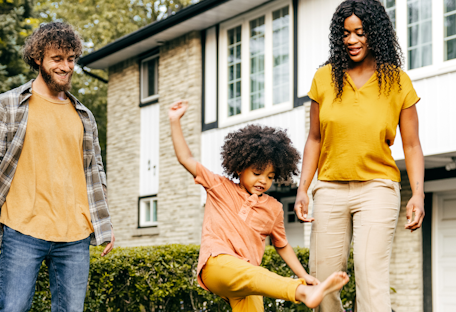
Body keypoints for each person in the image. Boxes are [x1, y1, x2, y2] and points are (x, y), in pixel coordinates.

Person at [293, 0, 426, 311]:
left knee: (371, 277)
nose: (351, 40)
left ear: (375, 34)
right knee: (322, 281)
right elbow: (314, 138)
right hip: (329, 188)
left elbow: (412, 145)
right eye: (345, 33)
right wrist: (303, 188)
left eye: (360, 32)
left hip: (377, 188)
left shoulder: (397, 82)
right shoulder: (324, 78)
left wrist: (417, 194)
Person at [0, 22, 115, 312]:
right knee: (12, 308)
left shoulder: (84, 116)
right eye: (57, 59)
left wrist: (104, 223)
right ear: (37, 58)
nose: (66, 67)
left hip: (75, 235)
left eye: (71, 59)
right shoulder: (9, 104)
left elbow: (95, 173)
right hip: (23, 229)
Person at [168, 100, 350, 311]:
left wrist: (305, 275)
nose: (263, 180)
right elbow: (185, 158)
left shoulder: (273, 208)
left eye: (270, 176)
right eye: (257, 173)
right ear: (239, 168)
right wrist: (175, 121)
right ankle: (301, 292)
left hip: (248, 275)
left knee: (253, 281)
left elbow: (282, 246)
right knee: (252, 274)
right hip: (216, 265)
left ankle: (304, 287)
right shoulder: (218, 186)